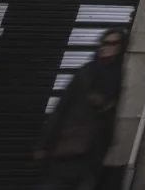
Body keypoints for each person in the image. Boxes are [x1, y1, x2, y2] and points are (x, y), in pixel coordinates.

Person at [34, 28, 127, 190]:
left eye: (114, 43)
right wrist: (45, 144)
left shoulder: (117, 74)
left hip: (93, 151)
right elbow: (62, 107)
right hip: (71, 147)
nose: (108, 47)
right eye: (105, 43)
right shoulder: (88, 71)